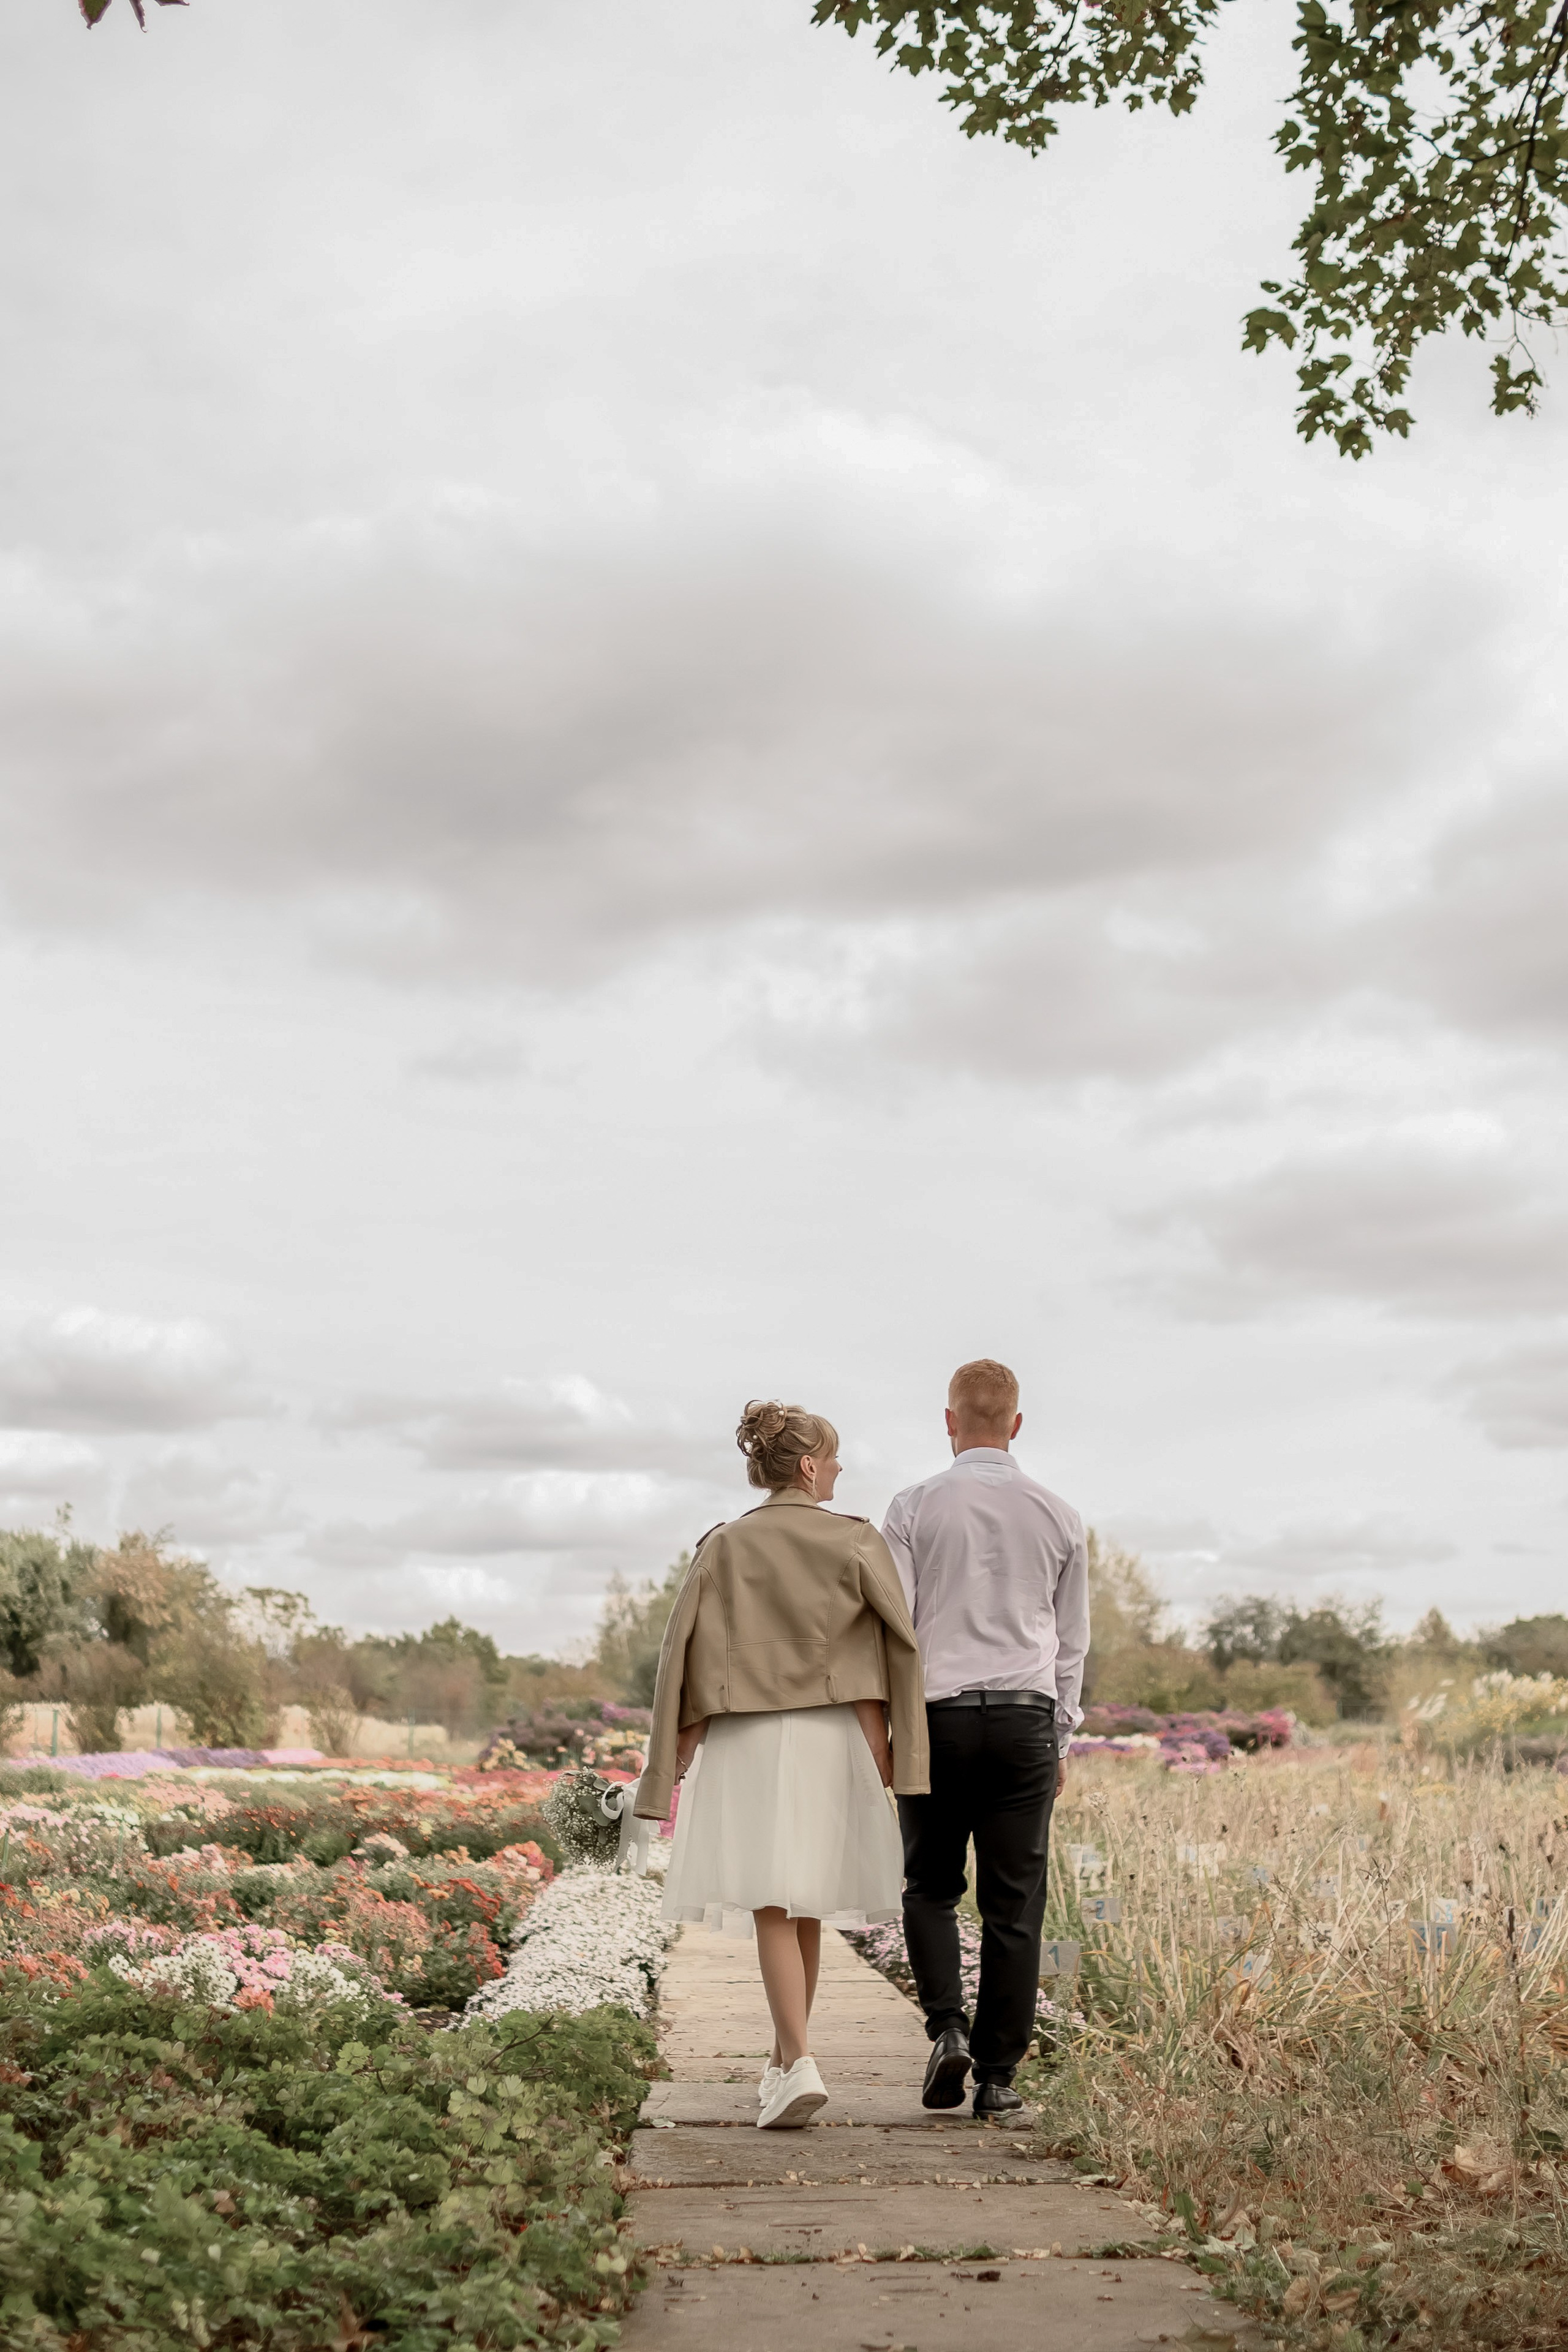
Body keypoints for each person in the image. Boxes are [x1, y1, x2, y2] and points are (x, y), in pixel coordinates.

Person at [637, 1400, 928, 2130]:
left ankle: (792, 2061)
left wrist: (678, 1745)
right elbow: (896, 1648)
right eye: (832, 1458)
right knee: (802, 1902)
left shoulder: (724, 1545)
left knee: (777, 1897)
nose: (838, 1470)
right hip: (834, 1734)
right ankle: (787, 2060)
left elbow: (686, 1651)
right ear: (806, 1466)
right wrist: (895, 1748)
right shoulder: (856, 1540)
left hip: (748, 1736)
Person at [881, 1359, 1088, 2117]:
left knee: (930, 1888)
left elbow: (893, 1629)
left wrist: (893, 1727)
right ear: (1016, 1424)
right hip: (1023, 1721)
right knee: (1013, 1906)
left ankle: (946, 2029)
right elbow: (1072, 1642)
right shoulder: (1060, 1514)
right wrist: (1060, 1736)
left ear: (948, 1421)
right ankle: (998, 2079)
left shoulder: (910, 1508)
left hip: (935, 1719)